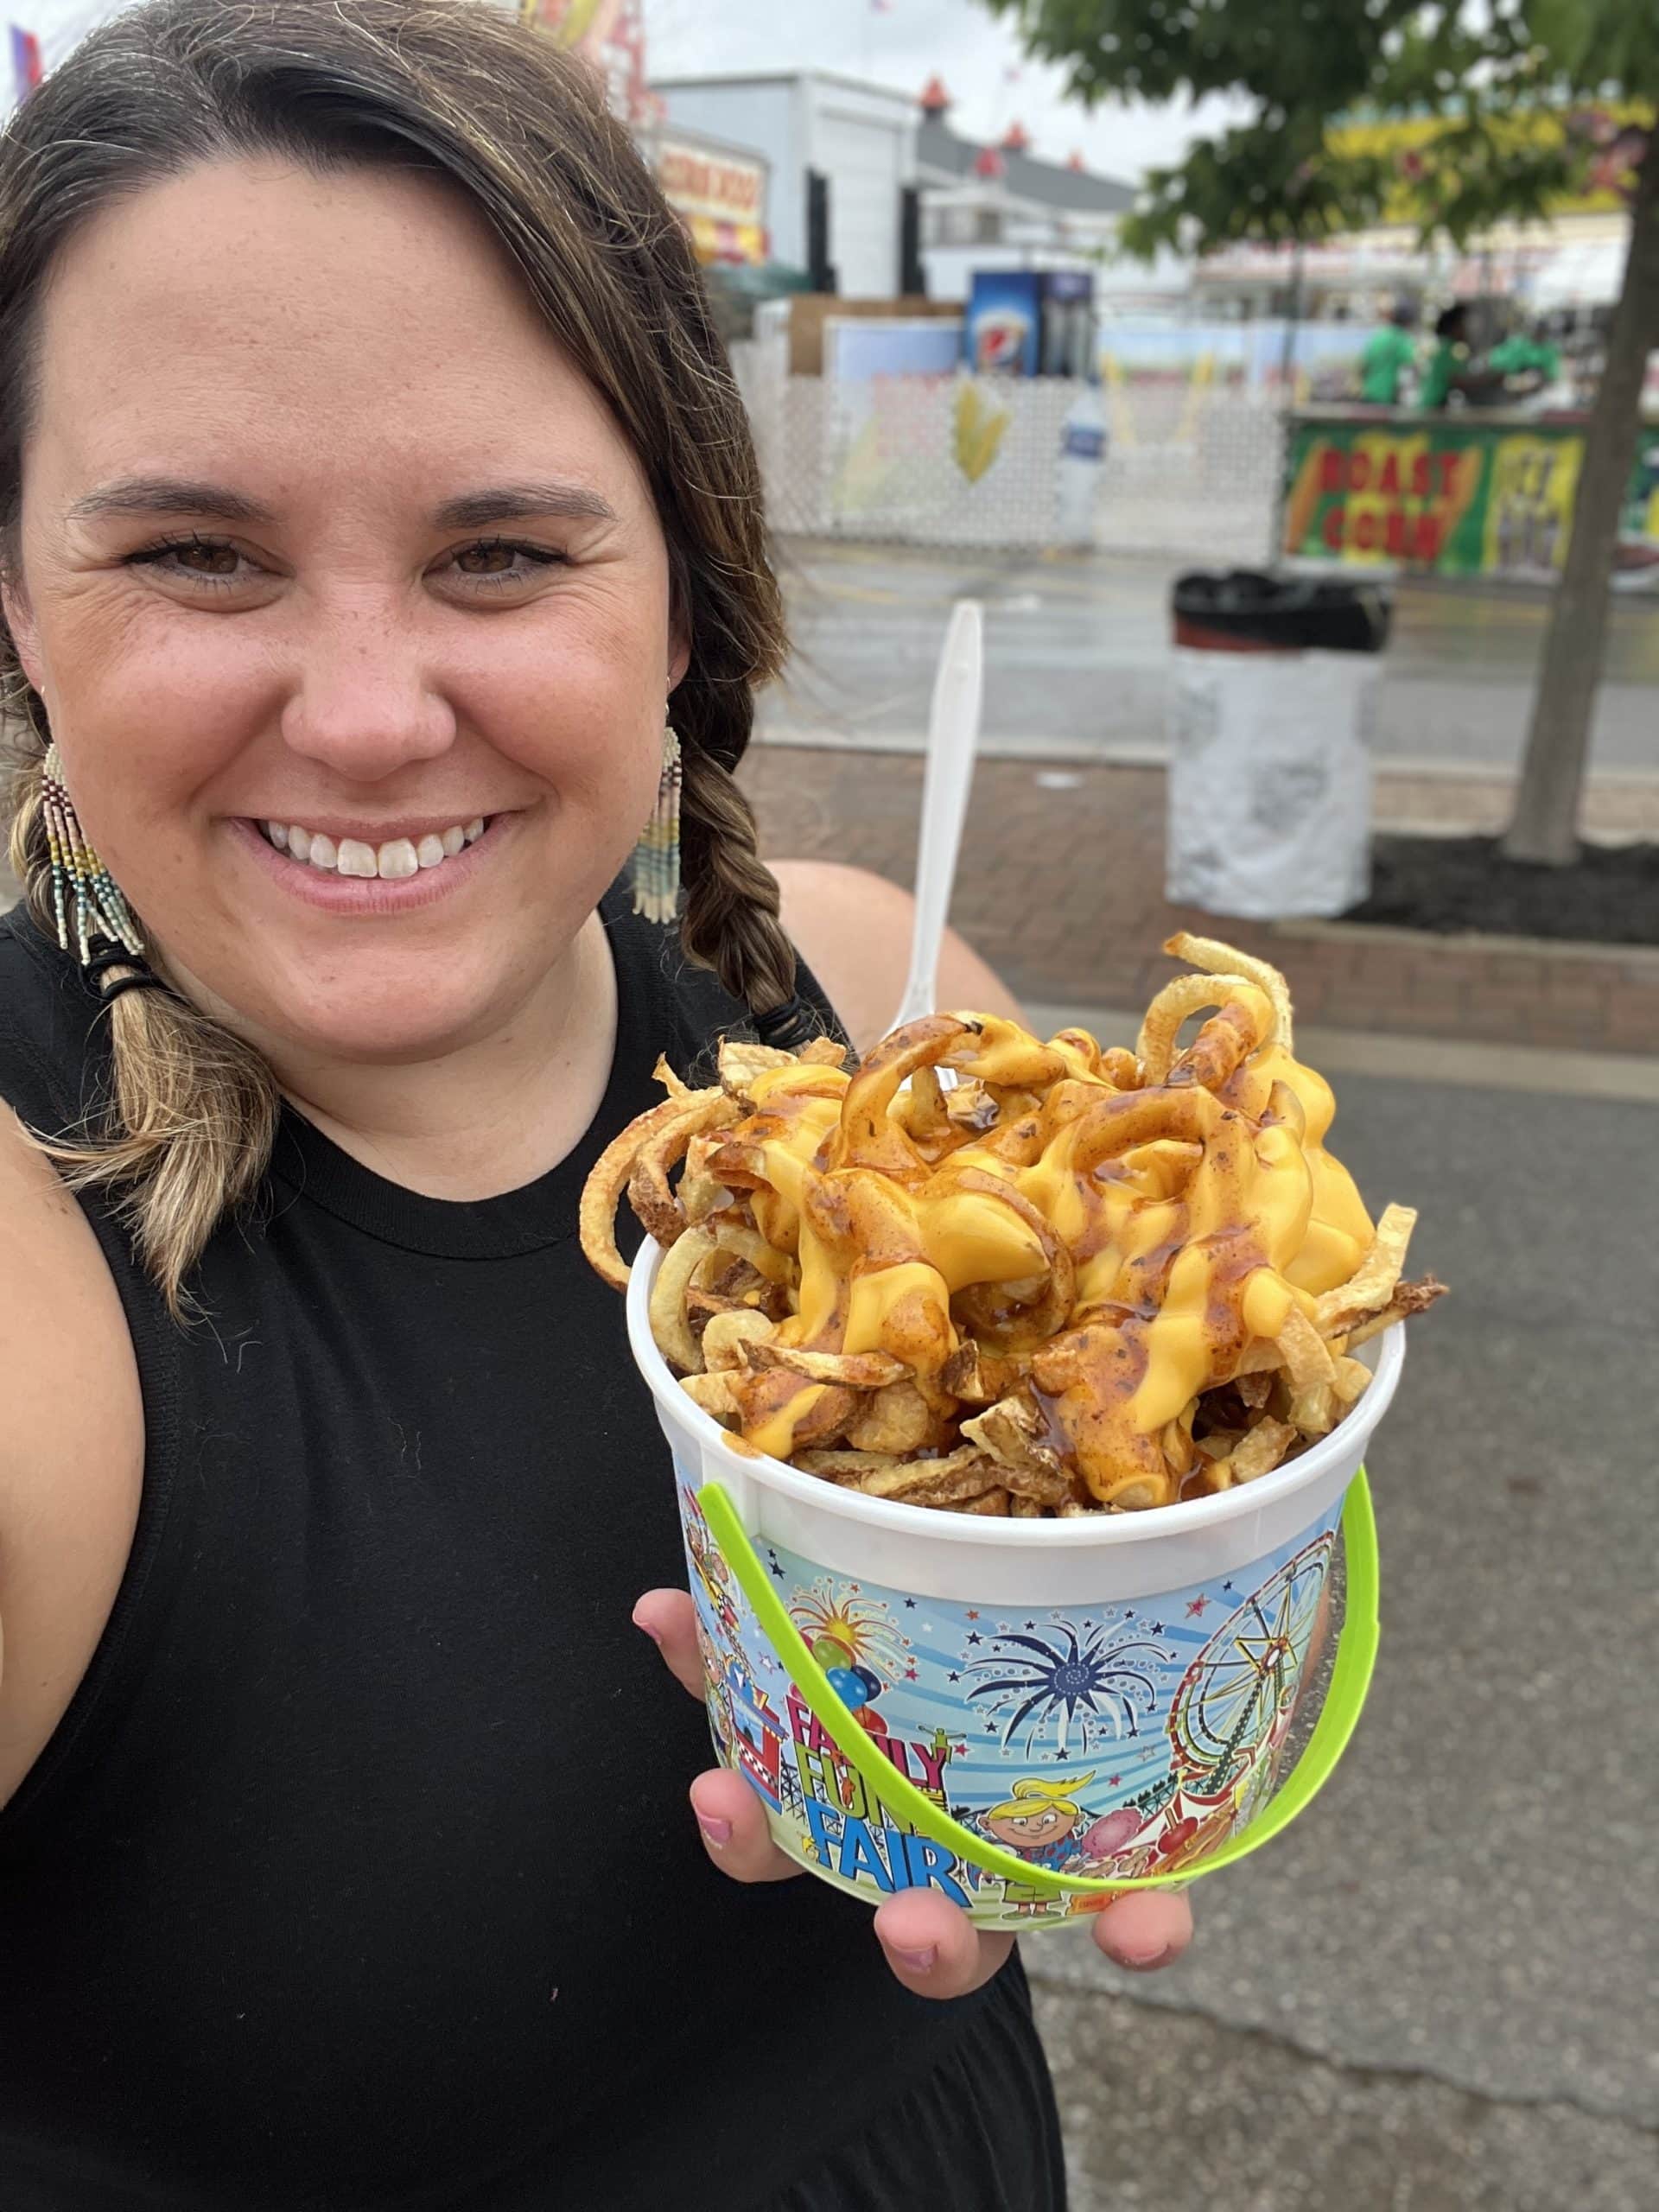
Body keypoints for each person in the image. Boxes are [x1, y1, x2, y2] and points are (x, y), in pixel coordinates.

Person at [0, 3, 1192, 2207]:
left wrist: (1107, 1739)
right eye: (195, 552)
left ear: (678, 593)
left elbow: (1111, 1616)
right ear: (16, 603)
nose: (365, 716)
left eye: (503, 553)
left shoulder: (897, 1009)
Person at [1357, 301, 1417, 407]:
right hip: (1387, 397)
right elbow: (1411, 366)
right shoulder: (1403, 339)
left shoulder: (1378, 336)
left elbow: (1363, 367)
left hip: (1368, 394)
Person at [1418, 302, 1473, 410]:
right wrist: (1490, 380)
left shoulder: (1443, 346)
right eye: (1463, 325)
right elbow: (1459, 381)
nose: (1467, 330)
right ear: (1454, 327)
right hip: (1432, 407)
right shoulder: (1447, 350)